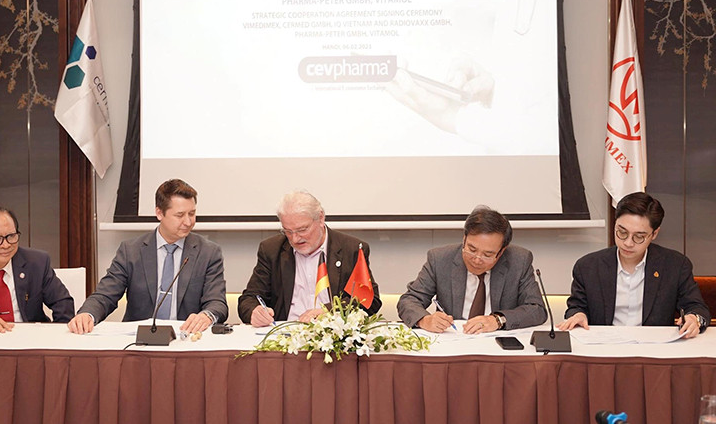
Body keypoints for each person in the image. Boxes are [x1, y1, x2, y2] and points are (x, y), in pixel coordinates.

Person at [67, 179, 227, 335]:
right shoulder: (131, 251)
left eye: (192, 214)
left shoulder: (208, 252)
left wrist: (207, 316)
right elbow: (106, 294)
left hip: (185, 338)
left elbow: (217, 302)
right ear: (159, 213)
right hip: (139, 340)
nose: (188, 221)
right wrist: (87, 314)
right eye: (180, 215)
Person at [558, 192, 710, 338]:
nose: (628, 243)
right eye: (622, 232)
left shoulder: (675, 265)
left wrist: (694, 319)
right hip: (603, 348)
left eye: (639, 237)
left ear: (654, 234)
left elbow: (697, 308)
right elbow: (576, 307)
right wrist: (578, 315)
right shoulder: (588, 267)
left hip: (654, 349)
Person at [238, 190, 381, 326]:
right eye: (288, 231)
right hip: (284, 333)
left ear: (320, 218)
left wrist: (330, 311)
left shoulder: (351, 249)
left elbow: (369, 301)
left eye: (302, 230)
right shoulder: (271, 250)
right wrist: (254, 312)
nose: (295, 239)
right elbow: (249, 299)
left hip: (332, 334)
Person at [397, 205, 546, 334]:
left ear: (501, 251)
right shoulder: (440, 259)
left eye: (487, 255)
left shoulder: (519, 261)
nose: (477, 259)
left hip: (497, 342)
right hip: (453, 340)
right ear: (464, 239)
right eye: (472, 249)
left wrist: (498, 320)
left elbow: (537, 309)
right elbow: (409, 300)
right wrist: (425, 319)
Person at [0, 205, 74, 333]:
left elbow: (62, 302)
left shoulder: (37, 262)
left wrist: (58, 336)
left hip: (29, 338)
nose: (6, 245)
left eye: (11, 236)